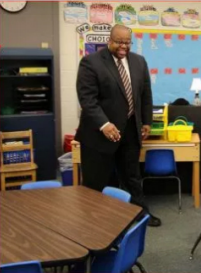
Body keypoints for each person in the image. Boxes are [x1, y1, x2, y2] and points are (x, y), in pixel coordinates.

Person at [75, 24, 161, 227]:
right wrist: (104, 124)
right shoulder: (91, 62)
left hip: (130, 131)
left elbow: (145, 95)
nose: (123, 46)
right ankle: (92, 220)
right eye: (119, 42)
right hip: (98, 135)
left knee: (132, 176)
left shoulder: (139, 62)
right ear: (109, 41)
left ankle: (141, 214)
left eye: (127, 42)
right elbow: (87, 99)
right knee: (96, 181)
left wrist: (146, 121)